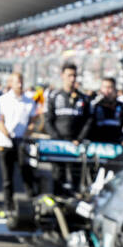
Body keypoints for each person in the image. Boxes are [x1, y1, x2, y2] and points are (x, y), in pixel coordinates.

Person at [45, 62, 90, 193]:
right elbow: (48, 120)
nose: (72, 79)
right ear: (62, 76)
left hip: (76, 144)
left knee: (76, 178)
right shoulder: (54, 96)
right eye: (69, 75)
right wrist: (57, 139)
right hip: (58, 144)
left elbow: (88, 120)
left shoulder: (83, 98)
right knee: (58, 177)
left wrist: (80, 138)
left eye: (74, 75)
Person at [0, 72, 39, 210]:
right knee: (7, 178)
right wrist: (7, 133)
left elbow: (33, 121)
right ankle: (8, 206)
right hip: (6, 142)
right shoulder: (3, 100)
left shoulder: (29, 101)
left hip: (22, 142)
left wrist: (27, 132)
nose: (19, 84)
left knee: (26, 173)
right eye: (16, 81)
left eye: (21, 81)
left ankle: (32, 203)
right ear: (11, 83)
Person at [80, 77, 123, 144]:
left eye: (109, 87)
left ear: (115, 90)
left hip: (116, 145)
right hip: (97, 146)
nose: (106, 90)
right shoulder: (94, 106)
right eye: (104, 87)